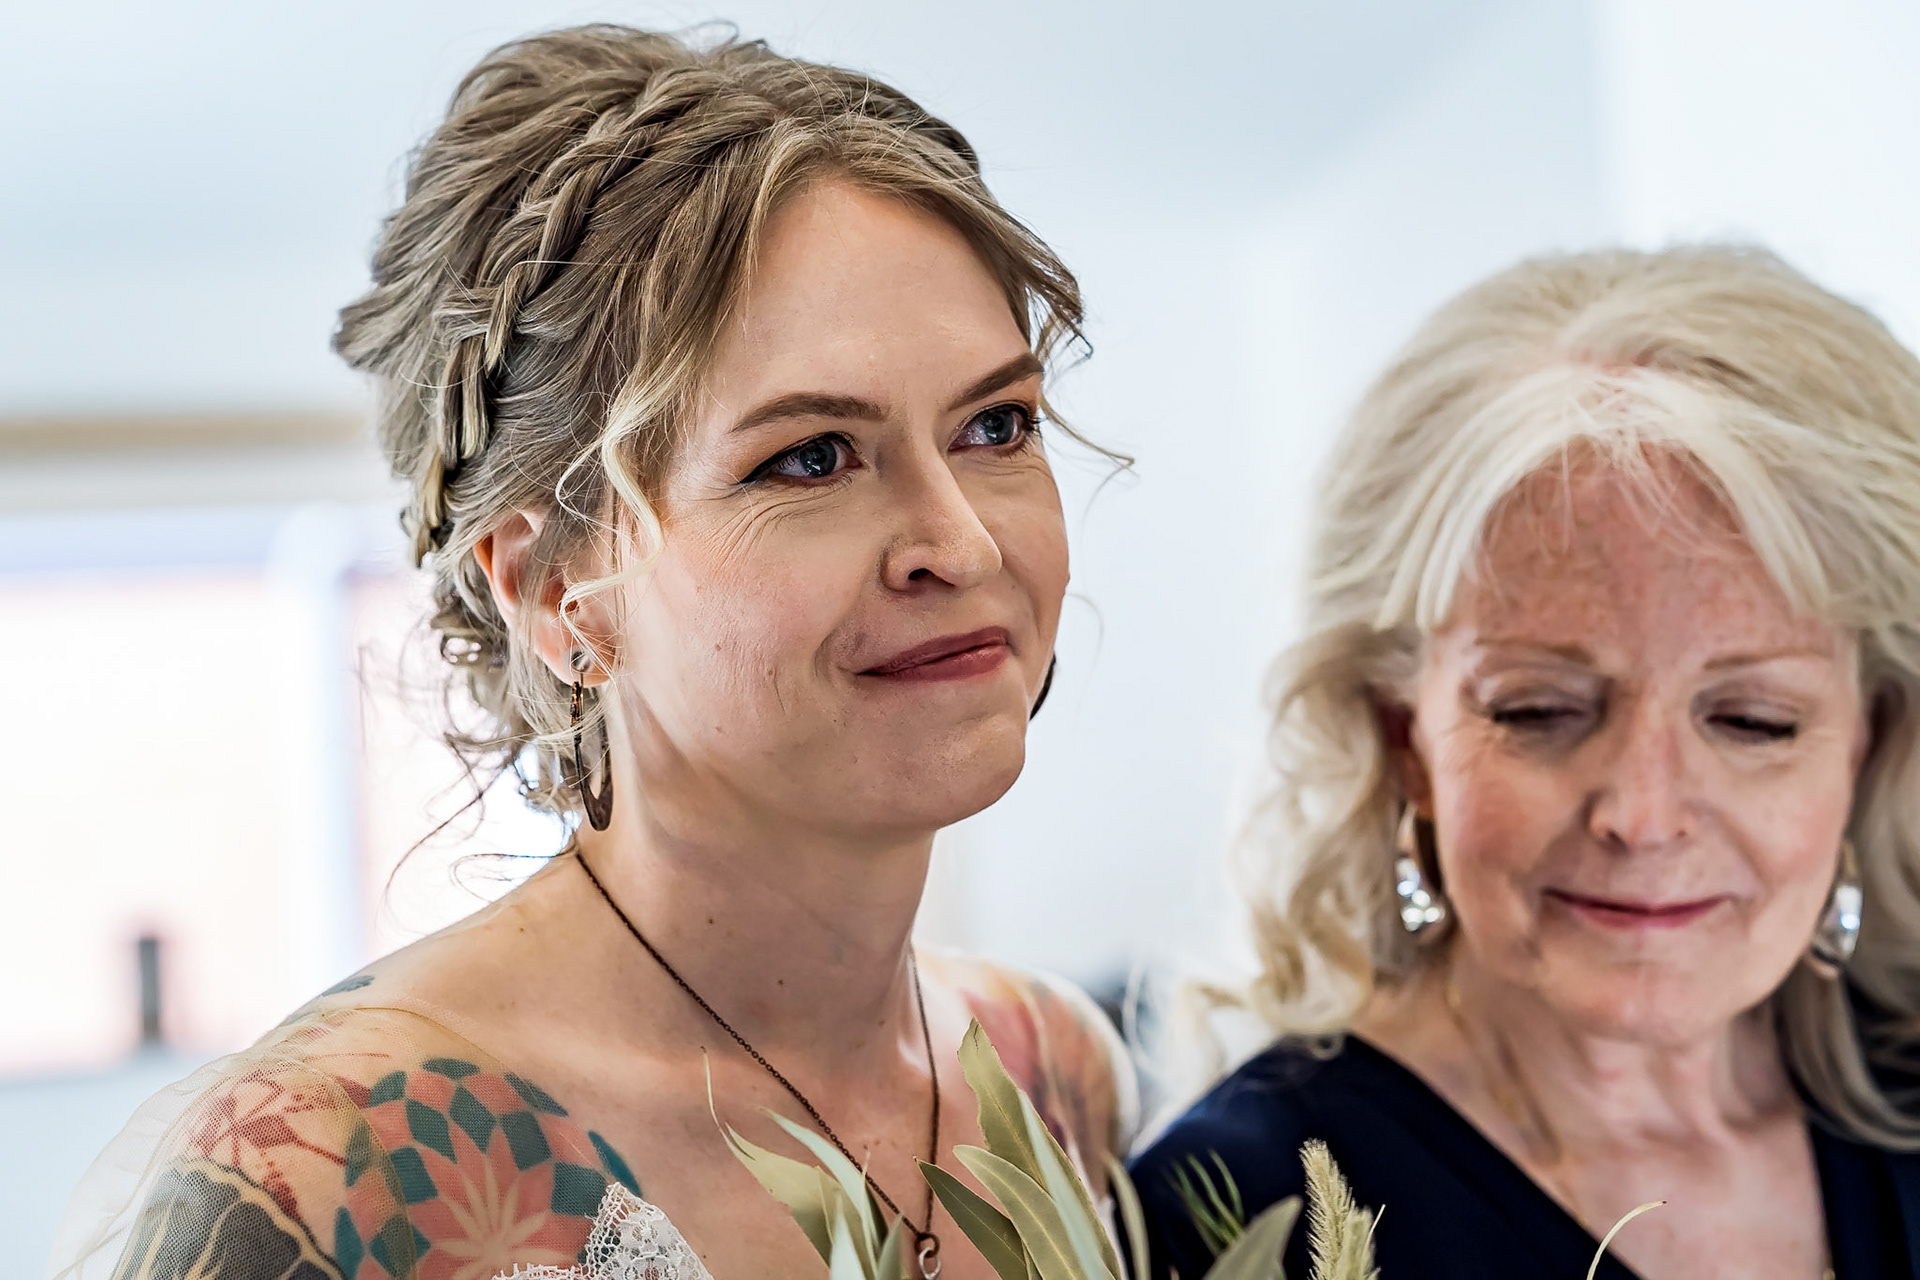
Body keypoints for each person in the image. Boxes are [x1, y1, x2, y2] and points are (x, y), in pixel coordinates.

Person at [51, 25, 1131, 1280]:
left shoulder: (1055, 1069)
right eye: (812, 457)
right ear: (558, 589)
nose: (959, 540)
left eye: (997, 424)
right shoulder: (329, 1169)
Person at [1131, 247, 1920, 1279]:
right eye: (1540, 709)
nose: (1644, 813)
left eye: (1752, 719)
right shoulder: (1234, 1217)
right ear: (1403, 738)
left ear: (1868, 743)